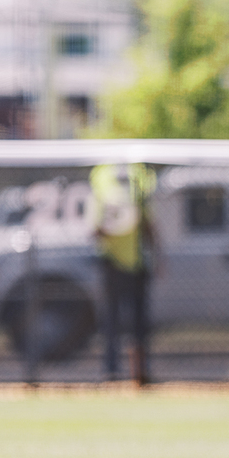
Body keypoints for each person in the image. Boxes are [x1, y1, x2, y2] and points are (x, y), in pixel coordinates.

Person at [89, 162, 157, 384]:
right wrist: (112, 223)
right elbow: (95, 231)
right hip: (113, 264)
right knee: (111, 321)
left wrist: (156, 256)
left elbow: (148, 225)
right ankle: (111, 370)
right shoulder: (103, 191)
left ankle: (140, 371)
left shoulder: (138, 190)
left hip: (137, 264)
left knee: (138, 324)